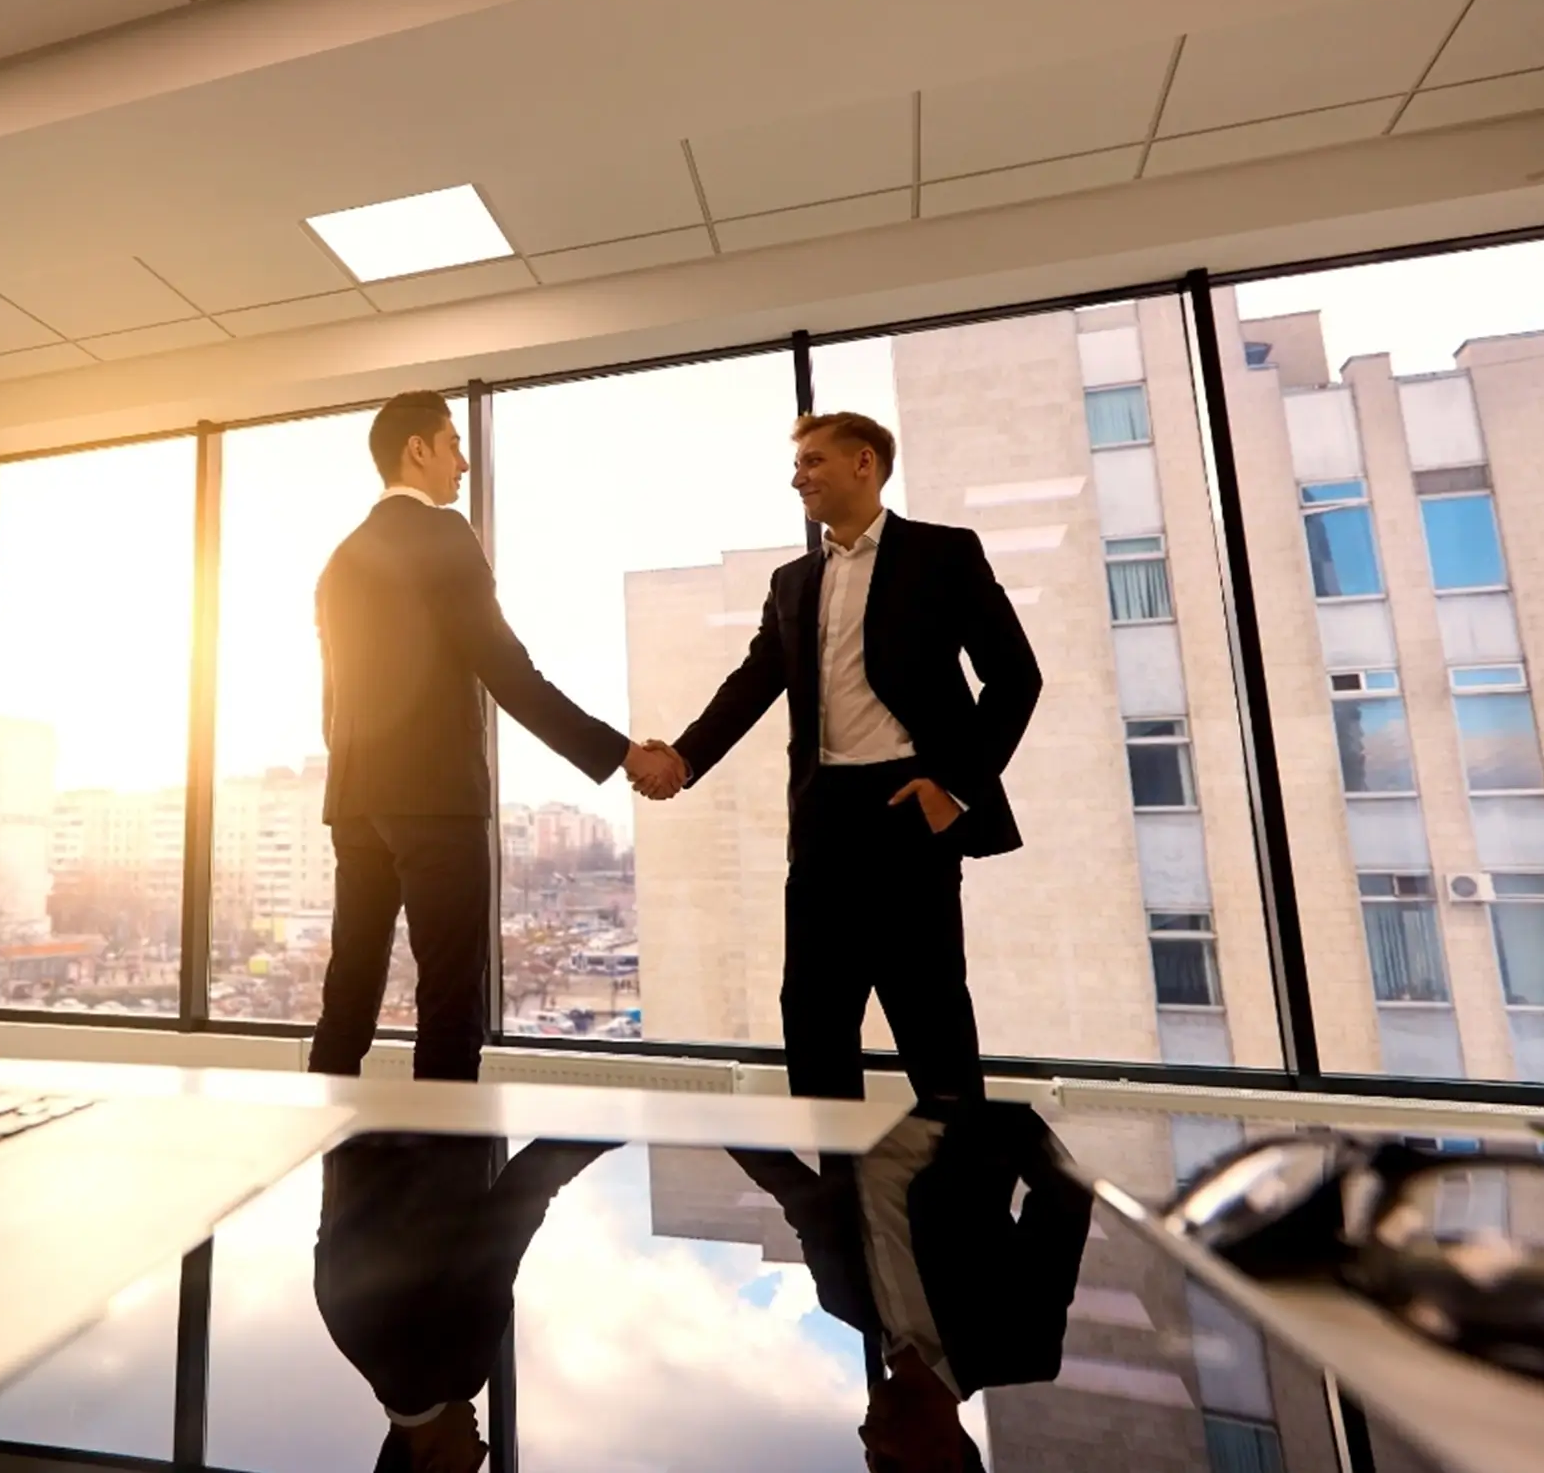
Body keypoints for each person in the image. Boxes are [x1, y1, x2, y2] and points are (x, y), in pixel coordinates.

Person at [634, 412, 1040, 1102]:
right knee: (814, 1019)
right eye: (797, 466)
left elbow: (1015, 677)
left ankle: (965, 1197)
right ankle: (835, 1202)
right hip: (825, 819)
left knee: (930, 1015)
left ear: (865, 464)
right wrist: (683, 757)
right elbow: (754, 682)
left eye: (814, 462)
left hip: (909, 806)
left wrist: (955, 790)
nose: (799, 478)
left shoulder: (943, 554)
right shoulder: (793, 582)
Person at [313, 390, 681, 1081]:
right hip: (435, 802)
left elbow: (332, 701)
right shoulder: (444, 536)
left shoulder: (341, 559)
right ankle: (448, 1180)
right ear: (416, 450)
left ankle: (324, 1166)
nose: (461, 462)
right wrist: (625, 754)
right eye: (453, 444)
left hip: (355, 801)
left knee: (349, 989)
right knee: (449, 999)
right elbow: (509, 674)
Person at [728, 1101, 1092, 1473]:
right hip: (937, 1081)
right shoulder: (1019, 1345)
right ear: (945, 1462)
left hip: (839, 1087)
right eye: (887, 1465)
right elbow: (1067, 1196)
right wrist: (982, 1103)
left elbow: (795, 1191)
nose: (864, 1437)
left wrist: (717, 1117)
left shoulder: (844, 1299)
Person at [314, 1132, 614, 1473]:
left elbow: (526, 1186)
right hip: (375, 1098)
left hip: (450, 1111)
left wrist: (621, 1122)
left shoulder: (458, 1366)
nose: (482, 1449)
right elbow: (335, 1157)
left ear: (434, 1467)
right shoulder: (340, 1325)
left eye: (471, 1469)